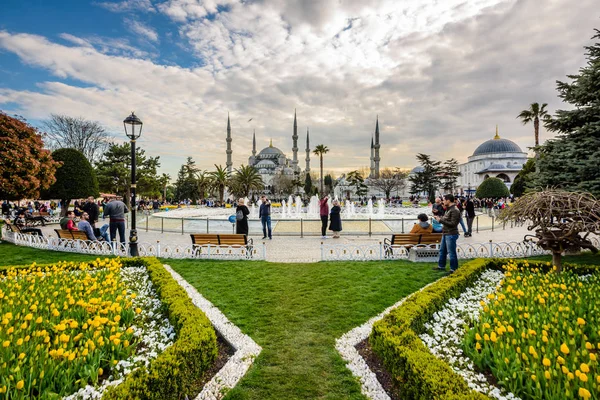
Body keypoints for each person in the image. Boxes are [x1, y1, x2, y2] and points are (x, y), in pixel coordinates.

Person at [434, 194, 460, 273]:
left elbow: (453, 223)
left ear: (448, 200)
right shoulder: (448, 209)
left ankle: (453, 269)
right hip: (446, 233)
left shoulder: (454, 210)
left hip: (451, 233)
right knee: (442, 251)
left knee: (451, 252)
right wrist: (439, 218)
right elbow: (447, 220)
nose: (443, 201)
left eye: (444, 200)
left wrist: (440, 220)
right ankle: (441, 266)